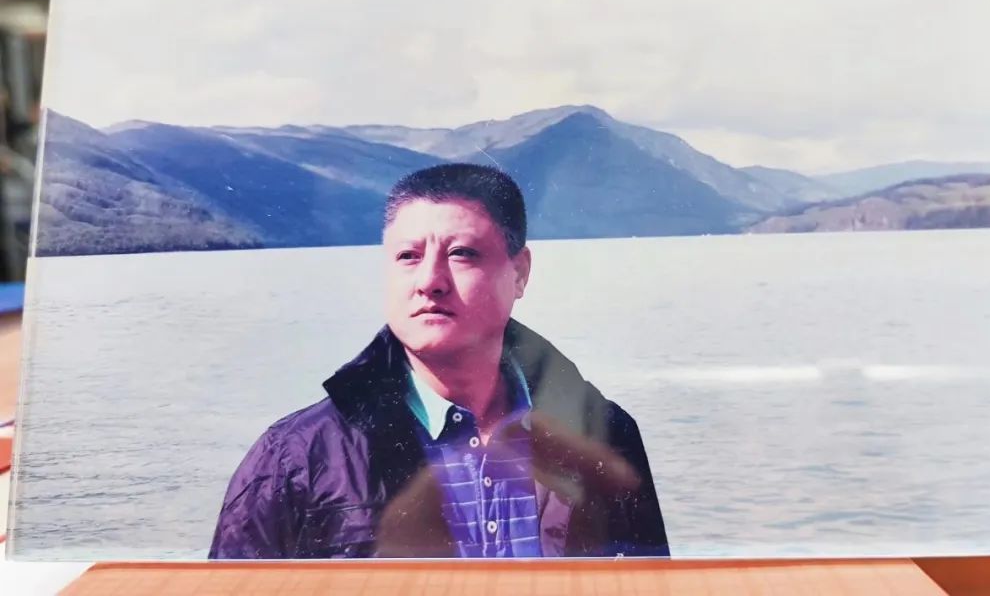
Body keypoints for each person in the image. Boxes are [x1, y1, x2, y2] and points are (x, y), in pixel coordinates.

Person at [209, 163, 668, 559]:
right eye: (408, 256)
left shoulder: (607, 435)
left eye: (461, 254)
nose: (429, 280)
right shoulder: (295, 458)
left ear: (520, 273)